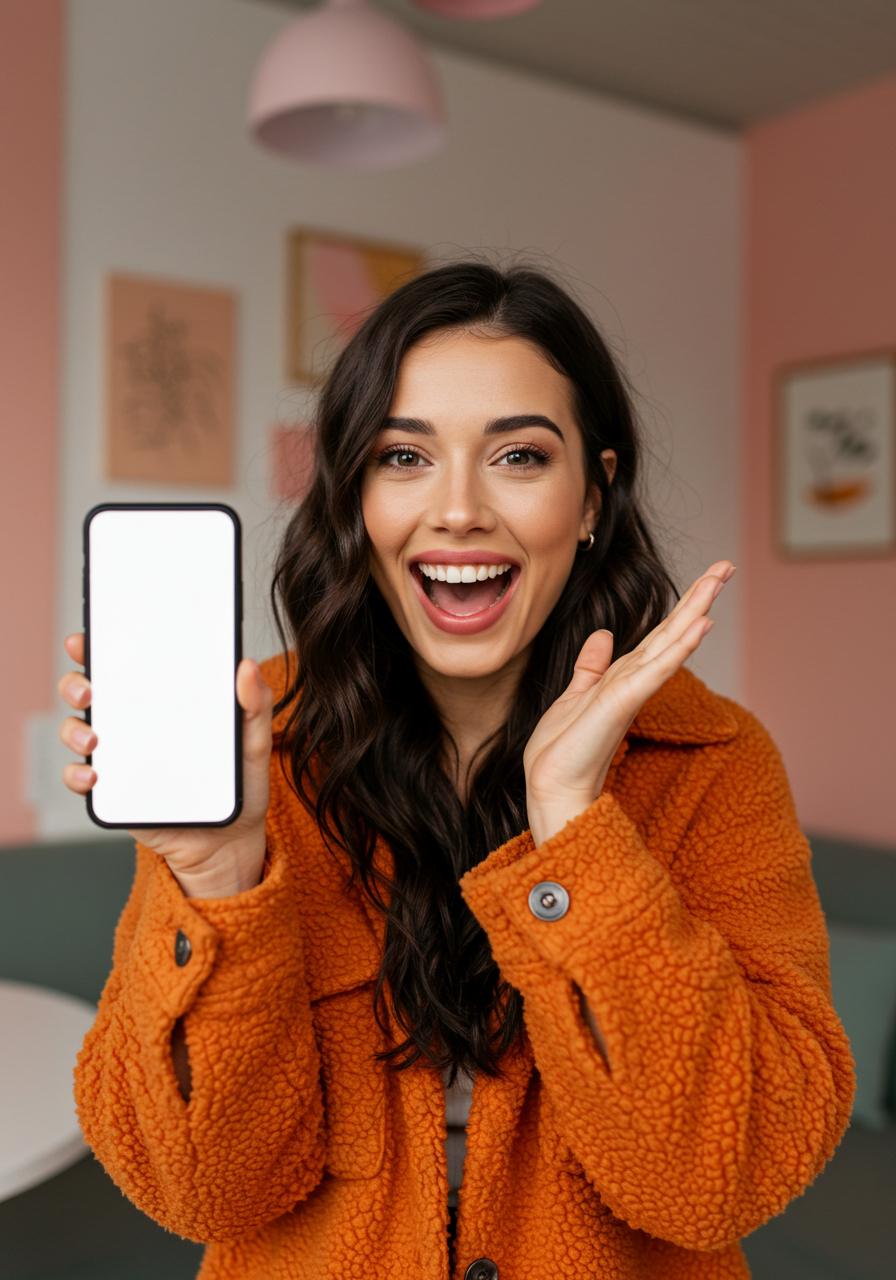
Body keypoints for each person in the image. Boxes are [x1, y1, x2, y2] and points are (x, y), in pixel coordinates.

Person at [60, 264, 853, 1280]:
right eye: (404, 456)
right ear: (352, 496)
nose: (459, 510)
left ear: (592, 496)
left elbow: (723, 1177)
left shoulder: (713, 764)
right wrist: (217, 876)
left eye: (519, 454)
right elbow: (203, 1191)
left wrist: (574, 830)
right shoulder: (251, 752)